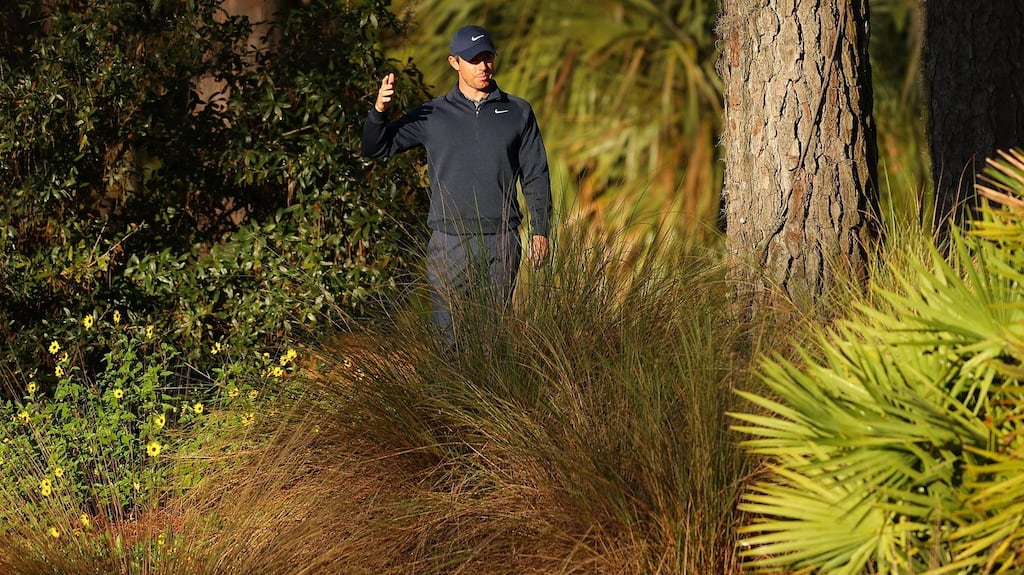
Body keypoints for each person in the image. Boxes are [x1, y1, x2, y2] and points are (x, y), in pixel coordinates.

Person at [361, 24, 552, 349]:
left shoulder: (518, 112)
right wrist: (379, 110)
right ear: (455, 63)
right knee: (448, 339)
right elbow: (376, 147)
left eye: (487, 57)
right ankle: (449, 400)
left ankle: (489, 400)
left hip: (501, 243)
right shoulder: (433, 113)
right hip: (449, 244)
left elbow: (535, 174)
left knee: (493, 340)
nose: (483, 66)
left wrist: (541, 230)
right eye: (474, 59)